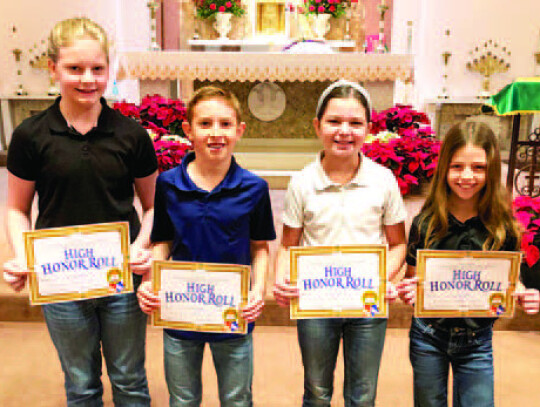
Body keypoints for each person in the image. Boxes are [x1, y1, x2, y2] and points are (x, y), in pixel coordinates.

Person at [3, 17, 157, 406]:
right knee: (81, 382)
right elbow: (17, 209)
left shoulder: (131, 135)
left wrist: (142, 245)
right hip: (60, 279)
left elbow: (156, 206)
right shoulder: (30, 136)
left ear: (109, 69)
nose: (87, 78)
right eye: (74, 68)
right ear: (53, 68)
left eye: (97, 68)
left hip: (121, 275)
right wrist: (22, 256)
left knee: (129, 378)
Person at [137, 86, 276, 407]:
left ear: (239, 130)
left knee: (237, 398)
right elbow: (162, 241)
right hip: (180, 311)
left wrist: (258, 290)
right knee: (183, 399)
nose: (216, 133)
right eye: (205, 124)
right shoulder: (169, 183)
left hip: (233, 310)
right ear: (188, 130)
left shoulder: (254, 188)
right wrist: (150, 280)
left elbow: (260, 247)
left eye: (225, 124)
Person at [273, 79, 407, 407]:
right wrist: (280, 278)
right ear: (318, 126)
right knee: (317, 391)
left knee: (362, 394)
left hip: (366, 302)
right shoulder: (302, 182)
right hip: (317, 303)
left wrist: (382, 279)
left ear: (369, 128)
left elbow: (398, 244)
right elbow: (289, 244)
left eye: (355, 123)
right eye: (334, 121)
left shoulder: (383, 180)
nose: (344, 131)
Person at [397, 121, 540, 407]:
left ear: (491, 170)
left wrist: (525, 294)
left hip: (478, 339)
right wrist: (408, 292)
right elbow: (412, 278)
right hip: (428, 336)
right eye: (457, 166)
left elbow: (511, 281)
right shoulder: (425, 224)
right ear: (444, 169)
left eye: (478, 168)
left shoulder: (504, 227)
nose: (466, 176)